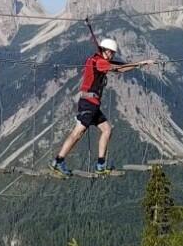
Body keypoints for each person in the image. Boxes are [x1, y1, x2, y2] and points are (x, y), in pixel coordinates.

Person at [50, 38, 154, 176]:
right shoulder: (99, 62)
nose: (112, 55)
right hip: (89, 104)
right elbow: (118, 68)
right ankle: (58, 161)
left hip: (92, 104)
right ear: (105, 51)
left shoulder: (98, 60)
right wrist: (141, 63)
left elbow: (120, 67)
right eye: (110, 53)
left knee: (106, 129)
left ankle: (100, 165)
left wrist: (137, 65)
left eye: (113, 54)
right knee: (78, 133)